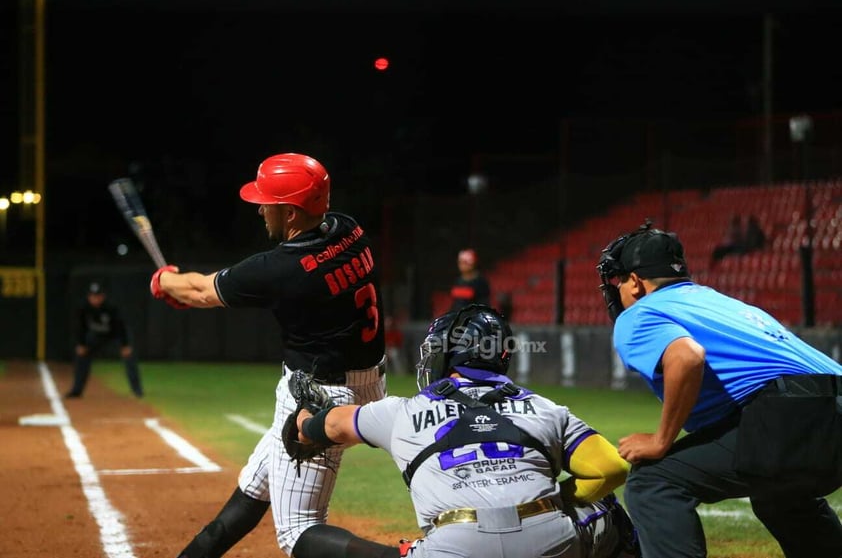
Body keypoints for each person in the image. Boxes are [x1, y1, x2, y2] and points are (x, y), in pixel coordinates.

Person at [150, 153, 396, 558]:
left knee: (297, 532)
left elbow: (201, 291)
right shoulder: (348, 229)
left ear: (292, 212)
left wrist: (165, 281)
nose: (261, 210)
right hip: (367, 385)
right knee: (253, 489)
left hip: (319, 400)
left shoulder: (281, 268)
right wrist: (180, 289)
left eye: (269, 203)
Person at [296, 304, 641, 558]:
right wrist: (553, 502)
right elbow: (611, 469)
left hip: (455, 546)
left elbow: (333, 424)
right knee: (606, 506)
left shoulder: (402, 411)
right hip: (549, 544)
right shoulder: (545, 408)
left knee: (312, 540)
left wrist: (305, 425)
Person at [596, 220, 842, 558]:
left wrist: (660, 441)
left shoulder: (639, 313)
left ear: (635, 281)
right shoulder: (714, 301)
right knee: (779, 494)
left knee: (652, 482)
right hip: (825, 408)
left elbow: (687, 357)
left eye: (618, 279)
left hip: (794, 414)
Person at [65, 281, 143, 398]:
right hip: (95, 337)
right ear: (89, 297)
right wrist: (81, 344)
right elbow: (80, 327)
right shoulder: (84, 308)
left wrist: (125, 345)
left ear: (102, 296)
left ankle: (137, 390)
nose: (95, 299)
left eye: (97, 296)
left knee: (129, 356)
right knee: (81, 356)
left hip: (114, 336)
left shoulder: (111, 307)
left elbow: (121, 326)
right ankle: (77, 390)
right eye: (92, 296)